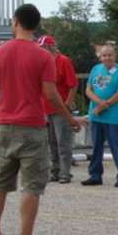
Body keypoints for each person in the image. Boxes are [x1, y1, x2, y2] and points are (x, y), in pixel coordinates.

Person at [0, 4, 82, 235]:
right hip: (32, 127)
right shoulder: (44, 57)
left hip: (5, 126)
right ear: (36, 24)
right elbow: (50, 96)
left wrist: (0, 115)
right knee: (31, 184)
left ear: (15, 21)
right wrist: (69, 118)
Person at [82, 44, 118, 187]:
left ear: (115, 56)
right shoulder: (95, 69)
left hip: (113, 118)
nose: (107, 58)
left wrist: (104, 105)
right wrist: (98, 103)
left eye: (110, 55)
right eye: (104, 55)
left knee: (117, 147)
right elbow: (88, 89)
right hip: (96, 116)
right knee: (96, 147)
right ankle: (95, 175)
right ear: (100, 57)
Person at [38, 35, 78, 183]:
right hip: (46, 108)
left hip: (60, 108)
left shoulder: (63, 61)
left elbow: (73, 85)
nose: (42, 50)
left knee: (63, 142)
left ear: (50, 47)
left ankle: (65, 173)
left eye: (44, 48)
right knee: (51, 142)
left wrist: (67, 103)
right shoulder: (42, 63)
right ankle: (55, 171)